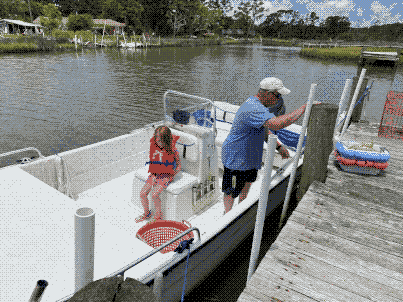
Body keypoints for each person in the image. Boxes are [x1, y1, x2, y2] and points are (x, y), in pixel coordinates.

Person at [221, 77, 321, 214]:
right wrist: (304, 107)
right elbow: (276, 124)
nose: (279, 99)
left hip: (250, 158)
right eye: (278, 95)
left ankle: (240, 209)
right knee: (231, 191)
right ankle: (227, 214)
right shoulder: (253, 107)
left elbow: (265, 130)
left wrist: (278, 147)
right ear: (268, 93)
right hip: (236, 158)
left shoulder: (260, 107)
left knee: (247, 183)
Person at [136, 126, 182, 222]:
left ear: (166, 140)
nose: (157, 141)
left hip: (166, 176)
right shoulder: (155, 147)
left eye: (160, 140)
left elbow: (178, 166)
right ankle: (147, 213)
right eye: (156, 139)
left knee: (154, 194)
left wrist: (172, 174)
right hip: (155, 174)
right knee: (142, 194)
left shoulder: (173, 151)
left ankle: (158, 218)